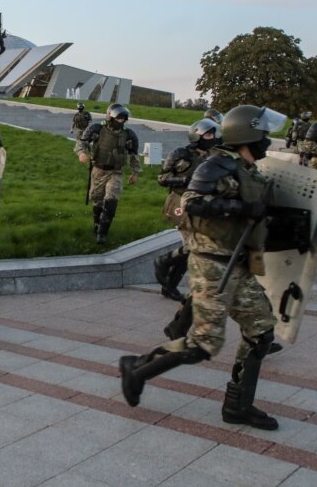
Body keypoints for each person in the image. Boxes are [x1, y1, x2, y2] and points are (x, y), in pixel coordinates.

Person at [119, 104, 286, 431]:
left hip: (238, 263)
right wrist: (242, 208)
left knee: (261, 331)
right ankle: (137, 369)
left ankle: (238, 406)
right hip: (213, 264)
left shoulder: (247, 168)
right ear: (248, 134)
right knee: (203, 344)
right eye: (263, 132)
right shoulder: (217, 164)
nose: (268, 139)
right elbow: (192, 203)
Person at [154, 118, 221, 302]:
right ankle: (166, 268)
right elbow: (162, 178)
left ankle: (169, 282)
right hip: (180, 202)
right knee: (193, 245)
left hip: (201, 204)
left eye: (213, 134)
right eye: (208, 134)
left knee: (192, 246)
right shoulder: (180, 154)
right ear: (197, 135)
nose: (212, 137)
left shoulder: (214, 155)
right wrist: (185, 181)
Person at [74, 103, 142, 243]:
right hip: (98, 170)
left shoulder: (129, 135)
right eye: (119, 118)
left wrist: (135, 172)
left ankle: (102, 233)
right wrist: (81, 153)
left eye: (124, 118)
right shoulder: (97, 129)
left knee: (111, 198)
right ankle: (97, 227)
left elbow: (134, 155)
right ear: (111, 117)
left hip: (115, 171)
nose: (121, 120)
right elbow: (81, 143)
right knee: (97, 200)